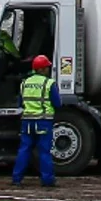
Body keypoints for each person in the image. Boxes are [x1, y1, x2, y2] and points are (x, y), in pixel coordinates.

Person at [11, 54, 61, 187]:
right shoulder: (49, 83)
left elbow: (20, 103)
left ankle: (17, 178)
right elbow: (57, 103)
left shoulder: (24, 83)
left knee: (24, 150)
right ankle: (47, 180)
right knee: (44, 151)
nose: (48, 70)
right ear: (42, 69)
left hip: (27, 122)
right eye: (47, 67)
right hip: (43, 122)